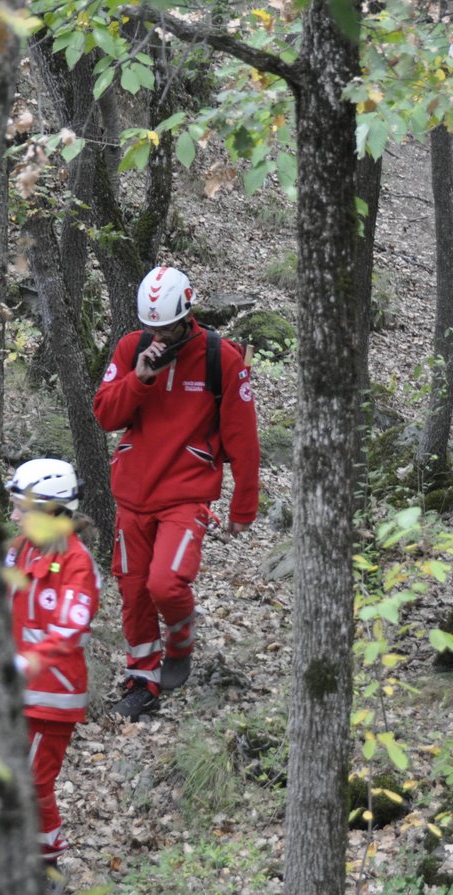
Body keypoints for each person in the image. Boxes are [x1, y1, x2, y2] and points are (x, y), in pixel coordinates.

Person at [93, 265, 261, 721]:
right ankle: (141, 679)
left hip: (186, 495)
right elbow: (105, 415)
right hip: (132, 494)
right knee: (134, 592)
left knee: (165, 584)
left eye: (166, 327)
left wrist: (244, 504)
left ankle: (181, 640)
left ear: (187, 315)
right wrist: (140, 379)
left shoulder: (219, 358)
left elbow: (244, 438)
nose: (159, 336)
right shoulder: (132, 348)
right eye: (152, 328)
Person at [4, 457, 101, 877]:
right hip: (12, 691)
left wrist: (24, 662)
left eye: (20, 508)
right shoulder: (18, 549)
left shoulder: (77, 565)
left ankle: (47, 863)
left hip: (52, 696)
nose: (13, 515)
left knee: (34, 780)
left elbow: (70, 629)